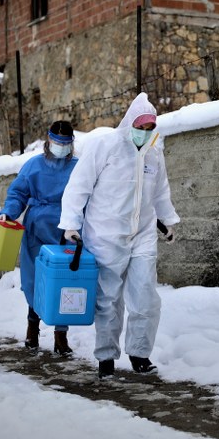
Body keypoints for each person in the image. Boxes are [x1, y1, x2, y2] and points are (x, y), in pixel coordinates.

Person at [59, 92, 179, 379]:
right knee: (108, 298)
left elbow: (160, 191)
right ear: (129, 124)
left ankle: (139, 353)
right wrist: (71, 223)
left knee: (145, 296)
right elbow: (79, 186)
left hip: (143, 234)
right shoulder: (105, 146)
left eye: (151, 128)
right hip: (106, 234)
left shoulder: (154, 152)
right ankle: (106, 357)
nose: (145, 133)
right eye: (141, 127)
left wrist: (168, 220)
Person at [0, 120, 78, 355]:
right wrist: (8, 213)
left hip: (67, 231)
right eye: (56, 142)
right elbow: (17, 194)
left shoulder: (78, 168)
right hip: (37, 231)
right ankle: (32, 327)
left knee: (64, 283)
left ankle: (60, 336)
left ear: (71, 144)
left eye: (65, 143)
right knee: (34, 282)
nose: (60, 147)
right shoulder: (33, 166)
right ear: (48, 140)